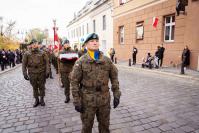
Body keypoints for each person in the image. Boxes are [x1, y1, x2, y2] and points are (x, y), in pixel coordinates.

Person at [70, 33, 121, 133]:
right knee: (86, 128)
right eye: (92, 41)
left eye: (97, 41)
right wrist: (76, 100)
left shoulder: (107, 60)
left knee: (105, 127)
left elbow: (114, 77)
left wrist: (117, 94)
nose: (95, 43)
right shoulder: (80, 62)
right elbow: (74, 82)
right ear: (86, 45)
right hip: (87, 101)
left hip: (104, 100)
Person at [22, 39, 50, 107]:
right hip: (32, 73)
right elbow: (24, 64)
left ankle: (42, 99)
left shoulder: (43, 53)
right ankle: (36, 99)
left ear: (38, 44)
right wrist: (25, 73)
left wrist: (47, 71)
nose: (34, 44)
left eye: (35, 43)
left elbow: (47, 62)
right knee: (34, 87)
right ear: (31, 45)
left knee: (42, 86)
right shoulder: (27, 53)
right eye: (33, 43)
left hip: (41, 72)